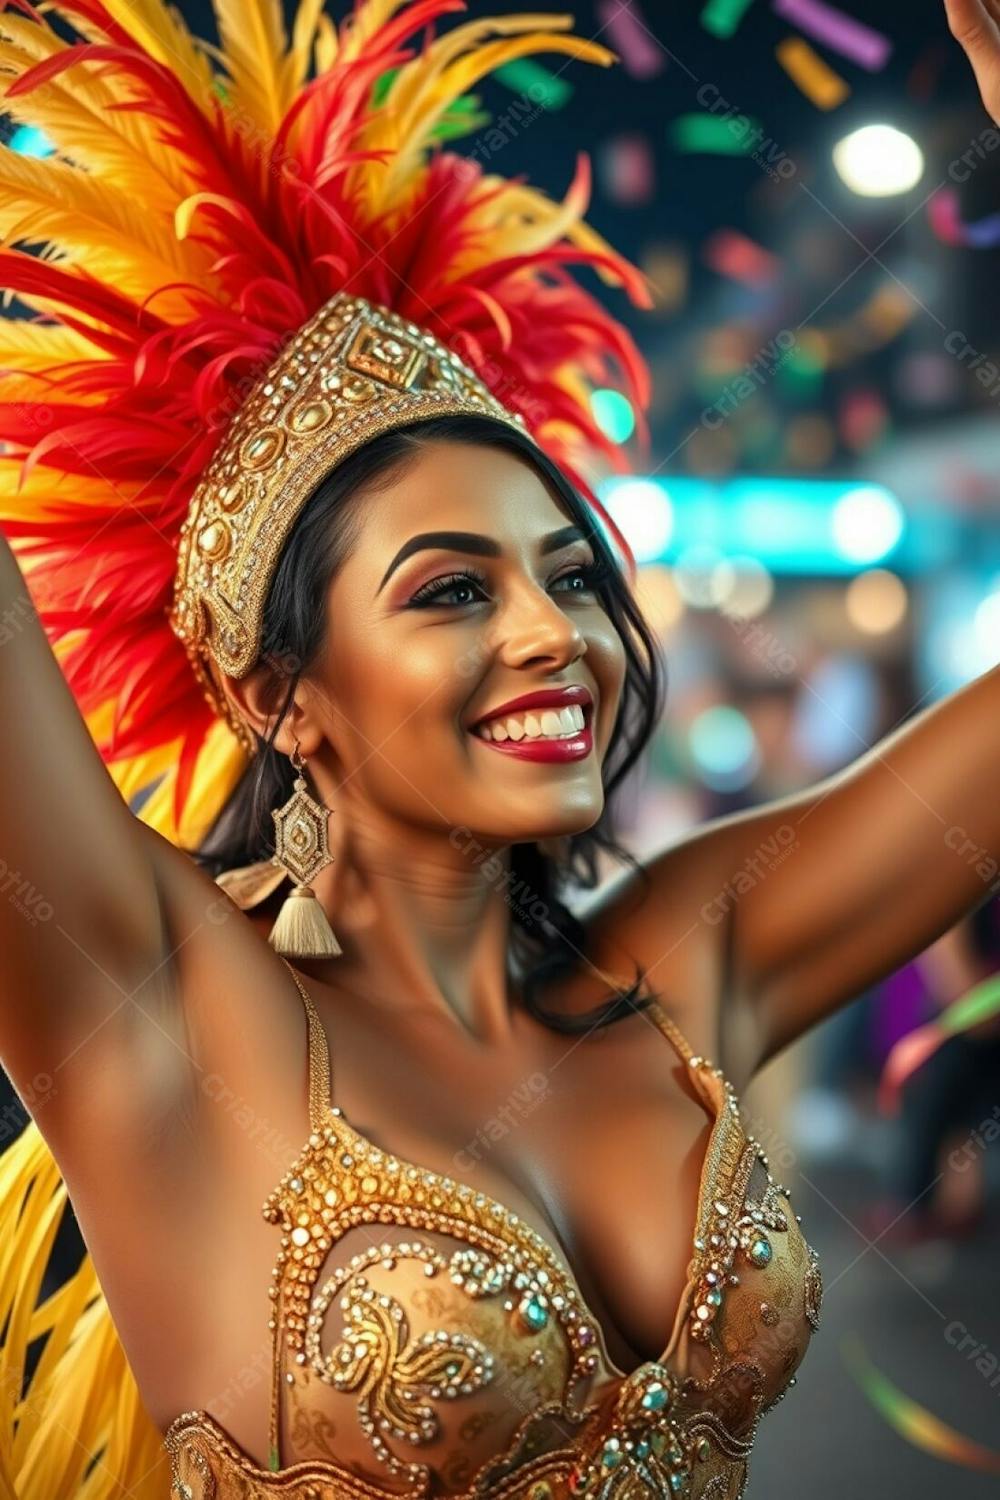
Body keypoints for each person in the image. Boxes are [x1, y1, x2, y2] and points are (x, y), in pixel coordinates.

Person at [0, 1, 995, 1497]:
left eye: (574, 574)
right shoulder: (160, 1013)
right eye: (455, 590)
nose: (559, 636)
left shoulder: (681, 962)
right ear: (279, 697)